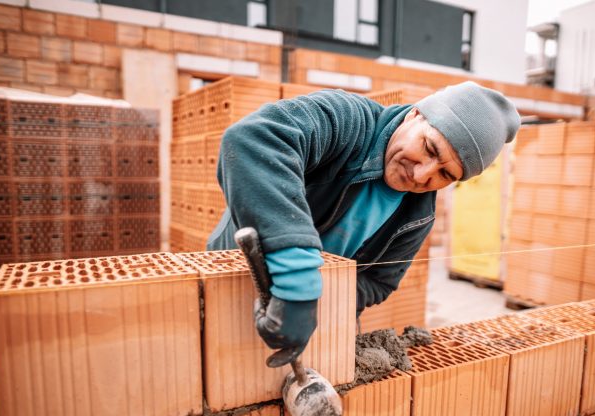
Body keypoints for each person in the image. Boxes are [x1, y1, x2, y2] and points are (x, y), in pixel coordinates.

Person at [207, 81, 520, 363]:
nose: (422, 174)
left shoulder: (418, 215)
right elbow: (253, 140)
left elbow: (379, 282)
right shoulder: (349, 121)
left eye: (445, 175)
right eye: (429, 148)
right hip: (232, 278)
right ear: (415, 116)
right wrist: (297, 275)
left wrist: (318, 300)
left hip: (305, 313)